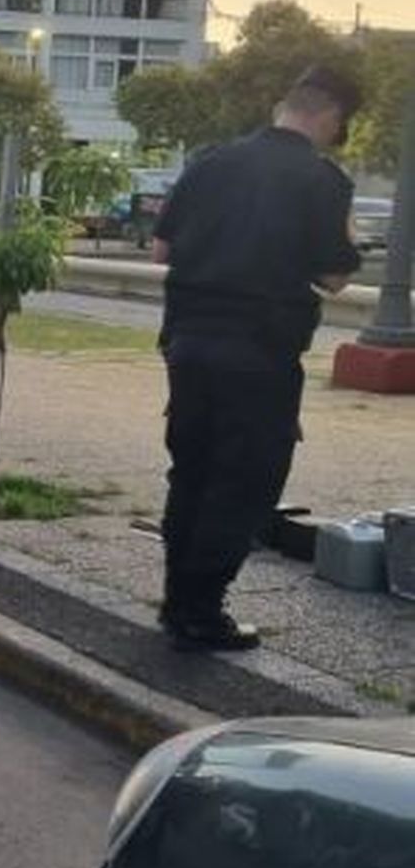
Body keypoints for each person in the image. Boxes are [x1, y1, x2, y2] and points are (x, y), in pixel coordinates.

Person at [152, 65, 362, 651]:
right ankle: (200, 611)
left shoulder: (210, 162)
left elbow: (160, 249)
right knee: (244, 481)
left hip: (187, 343)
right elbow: (335, 274)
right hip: (261, 350)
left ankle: (177, 601)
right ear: (328, 118)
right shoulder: (322, 180)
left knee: (190, 471)